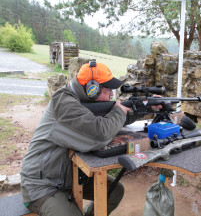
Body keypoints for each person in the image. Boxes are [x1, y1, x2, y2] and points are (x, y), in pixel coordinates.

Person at [20, 61, 156, 216]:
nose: (112, 94)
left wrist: (147, 107)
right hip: (43, 184)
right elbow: (100, 132)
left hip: (70, 177)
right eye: (108, 89)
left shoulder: (84, 100)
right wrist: (118, 111)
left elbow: (111, 119)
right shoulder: (64, 103)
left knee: (114, 191)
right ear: (92, 88)